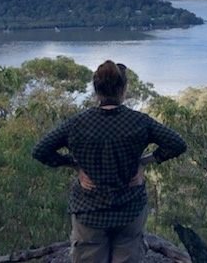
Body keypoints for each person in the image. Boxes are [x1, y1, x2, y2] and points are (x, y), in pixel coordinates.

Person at [32, 60, 187, 263]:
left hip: (89, 211)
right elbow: (177, 144)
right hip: (130, 209)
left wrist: (75, 165)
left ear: (96, 91)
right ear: (123, 89)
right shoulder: (140, 122)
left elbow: (40, 150)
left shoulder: (77, 124)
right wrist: (145, 161)